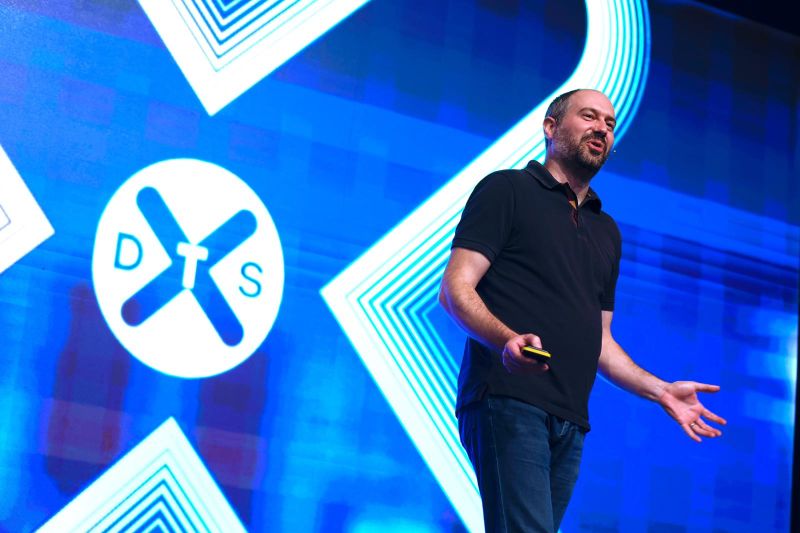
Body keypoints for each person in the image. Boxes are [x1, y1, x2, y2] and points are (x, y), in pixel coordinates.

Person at [438, 89, 726, 533]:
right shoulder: (507, 189)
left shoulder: (605, 230)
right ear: (551, 128)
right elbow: (456, 289)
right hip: (507, 399)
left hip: (571, 418)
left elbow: (602, 342)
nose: (602, 129)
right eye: (589, 117)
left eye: (609, 124)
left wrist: (661, 390)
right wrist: (506, 340)